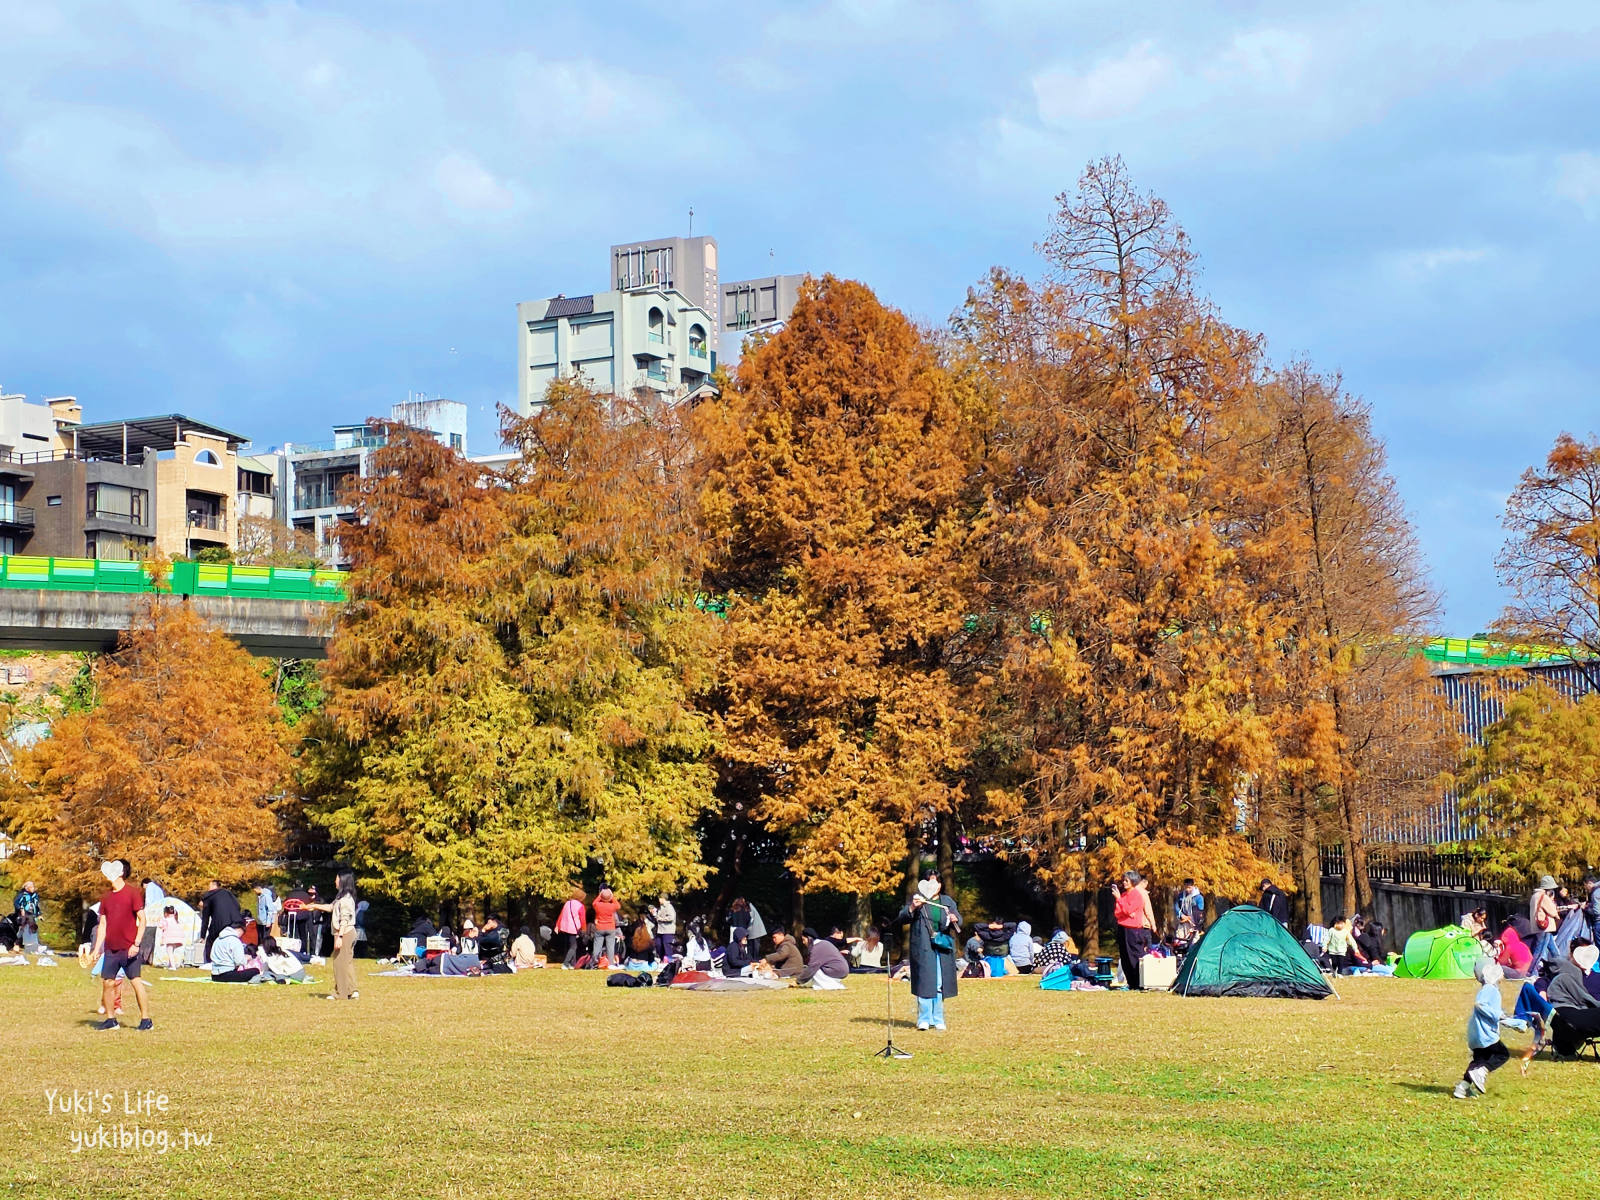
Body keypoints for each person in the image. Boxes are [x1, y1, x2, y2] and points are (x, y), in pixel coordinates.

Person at [91, 860, 151, 1031]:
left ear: (120, 872)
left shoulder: (133, 893)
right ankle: (111, 1020)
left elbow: (143, 919)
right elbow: (103, 924)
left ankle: (146, 1020)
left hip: (129, 947)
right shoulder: (106, 897)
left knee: (135, 981)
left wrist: (136, 944)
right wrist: (97, 949)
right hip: (111, 948)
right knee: (107, 983)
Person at [897, 870, 960, 1030]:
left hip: (942, 947)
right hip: (923, 947)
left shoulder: (947, 901)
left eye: (937, 882)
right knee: (925, 982)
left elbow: (959, 919)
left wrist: (955, 919)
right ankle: (924, 1018)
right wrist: (912, 907)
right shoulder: (918, 900)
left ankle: (938, 1018)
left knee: (939, 983)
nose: (934, 886)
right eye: (930, 882)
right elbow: (902, 917)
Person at [1454, 958, 1510, 1099]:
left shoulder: (1488, 989)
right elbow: (1481, 1005)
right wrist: (1499, 1015)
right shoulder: (1490, 989)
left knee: (1478, 1061)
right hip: (1485, 1033)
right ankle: (1482, 1071)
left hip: (1476, 1033)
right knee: (1502, 1054)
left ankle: (1462, 1088)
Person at [309, 868, 359, 1001]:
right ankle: (352, 990)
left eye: (336, 879)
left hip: (345, 933)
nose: (335, 881)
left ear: (342, 881)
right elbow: (331, 908)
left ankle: (341, 993)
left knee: (339, 964)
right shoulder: (341, 897)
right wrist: (315, 906)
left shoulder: (346, 899)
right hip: (346, 933)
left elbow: (345, 918)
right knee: (347, 962)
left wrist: (340, 937)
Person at [1547, 938, 1600, 1058]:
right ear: (1572, 954)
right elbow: (1542, 983)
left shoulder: (1596, 977)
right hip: (1570, 1019)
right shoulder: (1563, 974)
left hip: (1583, 1017)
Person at [1112, 870, 1157, 990]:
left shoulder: (1137, 894)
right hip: (1122, 927)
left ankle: (1139, 982)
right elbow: (1118, 912)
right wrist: (1125, 910)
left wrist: (1120, 902)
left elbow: (1128, 909)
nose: (1124, 883)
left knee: (1134, 955)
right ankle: (1131, 983)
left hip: (1134, 930)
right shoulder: (1124, 895)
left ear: (1133, 881)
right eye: (1124, 880)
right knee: (1125, 956)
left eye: (1126, 880)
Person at [199, 880, 243, 961]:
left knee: (210, 942)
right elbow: (238, 906)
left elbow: (205, 919)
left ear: (213, 886)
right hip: (238, 924)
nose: (208, 889)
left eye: (209, 886)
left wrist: (202, 936)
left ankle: (210, 962)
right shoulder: (229, 893)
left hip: (220, 925)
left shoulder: (209, 896)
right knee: (232, 943)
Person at [1530, 875, 1561, 969]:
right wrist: (1556, 914)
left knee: (1554, 950)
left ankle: (1560, 966)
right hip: (1545, 927)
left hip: (1537, 926)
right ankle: (1531, 971)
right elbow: (1552, 911)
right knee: (1539, 951)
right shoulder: (1543, 897)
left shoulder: (1534, 896)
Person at [556, 887, 586, 969]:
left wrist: (557, 925)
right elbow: (582, 919)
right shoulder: (580, 906)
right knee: (573, 946)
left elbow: (561, 915)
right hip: (574, 928)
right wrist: (584, 929)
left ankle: (572, 964)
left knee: (571, 945)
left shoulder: (567, 903)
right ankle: (565, 963)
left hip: (565, 927)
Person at [591, 887, 621, 965]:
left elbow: (593, 903)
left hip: (600, 927)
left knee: (597, 946)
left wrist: (600, 895)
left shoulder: (597, 905)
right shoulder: (612, 906)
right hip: (610, 927)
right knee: (610, 947)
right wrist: (612, 896)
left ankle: (595, 962)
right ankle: (610, 963)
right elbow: (618, 906)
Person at [154, 903, 186, 970]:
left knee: (169, 951)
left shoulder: (165, 920)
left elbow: (161, 926)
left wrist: (159, 920)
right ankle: (170, 964)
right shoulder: (175, 919)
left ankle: (173, 966)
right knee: (172, 950)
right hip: (177, 937)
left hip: (169, 938)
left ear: (165, 913)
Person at [648, 895, 677, 961]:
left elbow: (671, 918)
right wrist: (654, 915)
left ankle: (669, 961)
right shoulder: (661, 907)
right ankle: (661, 960)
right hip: (660, 930)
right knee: (658, 944)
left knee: (667, 946)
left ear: (663, 898)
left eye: (660, 898)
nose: (659, 900)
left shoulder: (669, 907)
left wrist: (661, 919)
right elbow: (658, 918)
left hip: (668, 930)